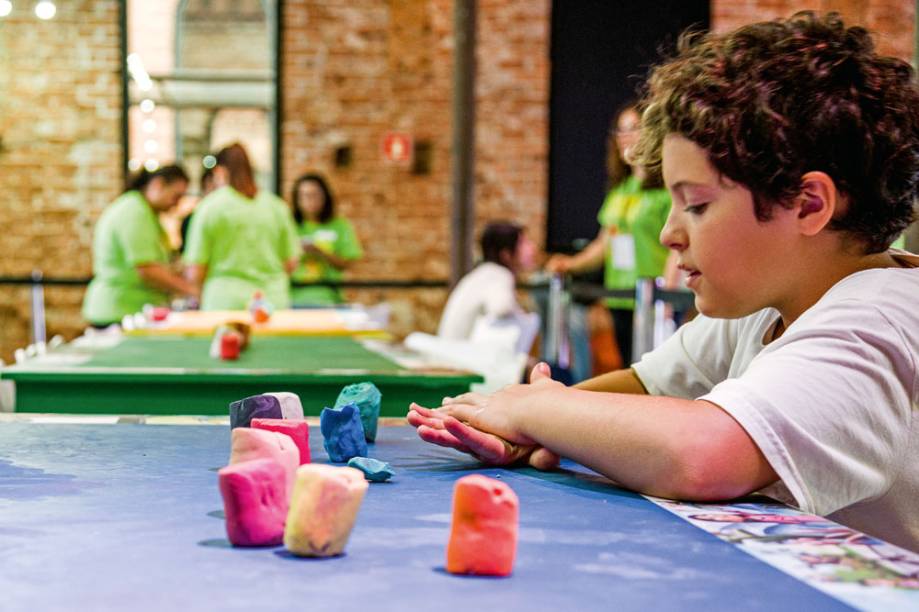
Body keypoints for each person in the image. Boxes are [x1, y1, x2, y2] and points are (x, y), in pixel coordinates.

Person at [408, 12, 919, 553]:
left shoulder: (876, 321)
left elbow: (702, 454)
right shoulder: (768, 305)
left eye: (696, 205)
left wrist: (533, 410)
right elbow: (645, 387)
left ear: (807, 204)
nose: (671, 234)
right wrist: (524, 427)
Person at [546, 103, 675, 366]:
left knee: (655, 373)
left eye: (633, 128)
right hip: (619, 295)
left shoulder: (666, 190)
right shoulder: (620, 191)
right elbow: (604, 244)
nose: (625, 136)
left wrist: (669, 297)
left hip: (655, 299)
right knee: (628, 368)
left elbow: (676, 246)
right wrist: (569, 264)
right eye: (620, 130)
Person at [183, 143, 300, 310]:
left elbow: (195, 270)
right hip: (272, 302)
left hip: (224, 300)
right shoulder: (277, 206)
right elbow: (291, 262)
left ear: (219, 171)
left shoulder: (209, 207)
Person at [82, 165, 199, 326]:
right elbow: (147, 269)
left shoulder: (145, 211)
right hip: (119, 312)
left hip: (131, 311)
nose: (176, 204)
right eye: (175, 196)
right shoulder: (134, 211)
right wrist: (190, 290)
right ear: (158, 185)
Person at [437, 221, 537, 342]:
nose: (532, 248)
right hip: (459, 356)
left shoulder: (484, 273)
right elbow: (501, 308)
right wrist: (521, 314)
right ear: (505, 254)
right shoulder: (499, 274)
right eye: (522, 243)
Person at [288, 173, 363, 306]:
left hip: (329, 297)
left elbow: (347, 262)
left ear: (324, 197)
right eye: (304, 196)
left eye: (314, 195)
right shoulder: (289, 226)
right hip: (293, 296)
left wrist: (320, 252)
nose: (309, 201)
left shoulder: (339, 226)